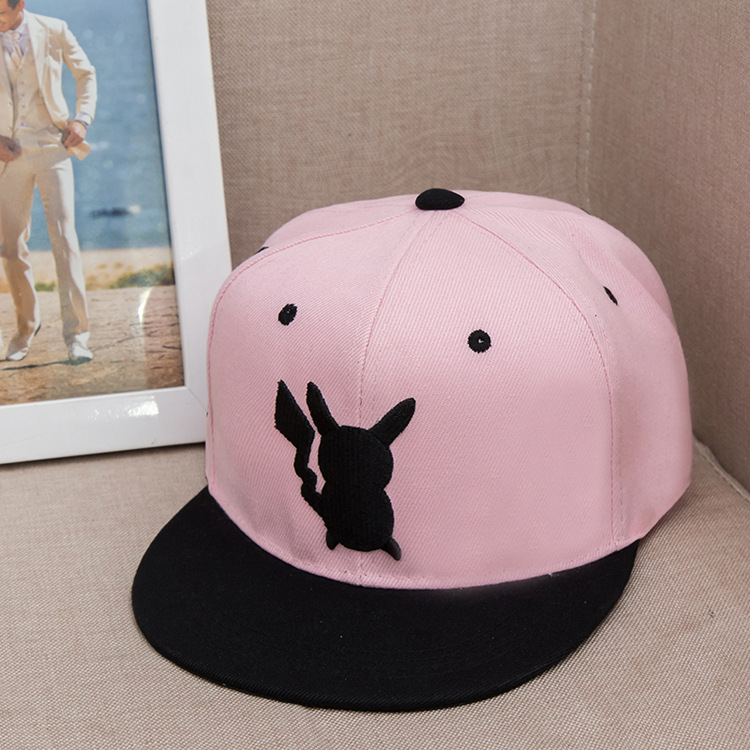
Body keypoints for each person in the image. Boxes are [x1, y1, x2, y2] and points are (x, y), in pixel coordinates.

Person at [0, 0, 96, 363]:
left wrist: (82, 119)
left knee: (64, 239)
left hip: (52, 148)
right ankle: (26, 328)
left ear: (19, 5)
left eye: (0, 13)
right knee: (11, 247)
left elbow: (85, 73)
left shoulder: (54, 29)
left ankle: (77, 336)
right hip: (8, 157)